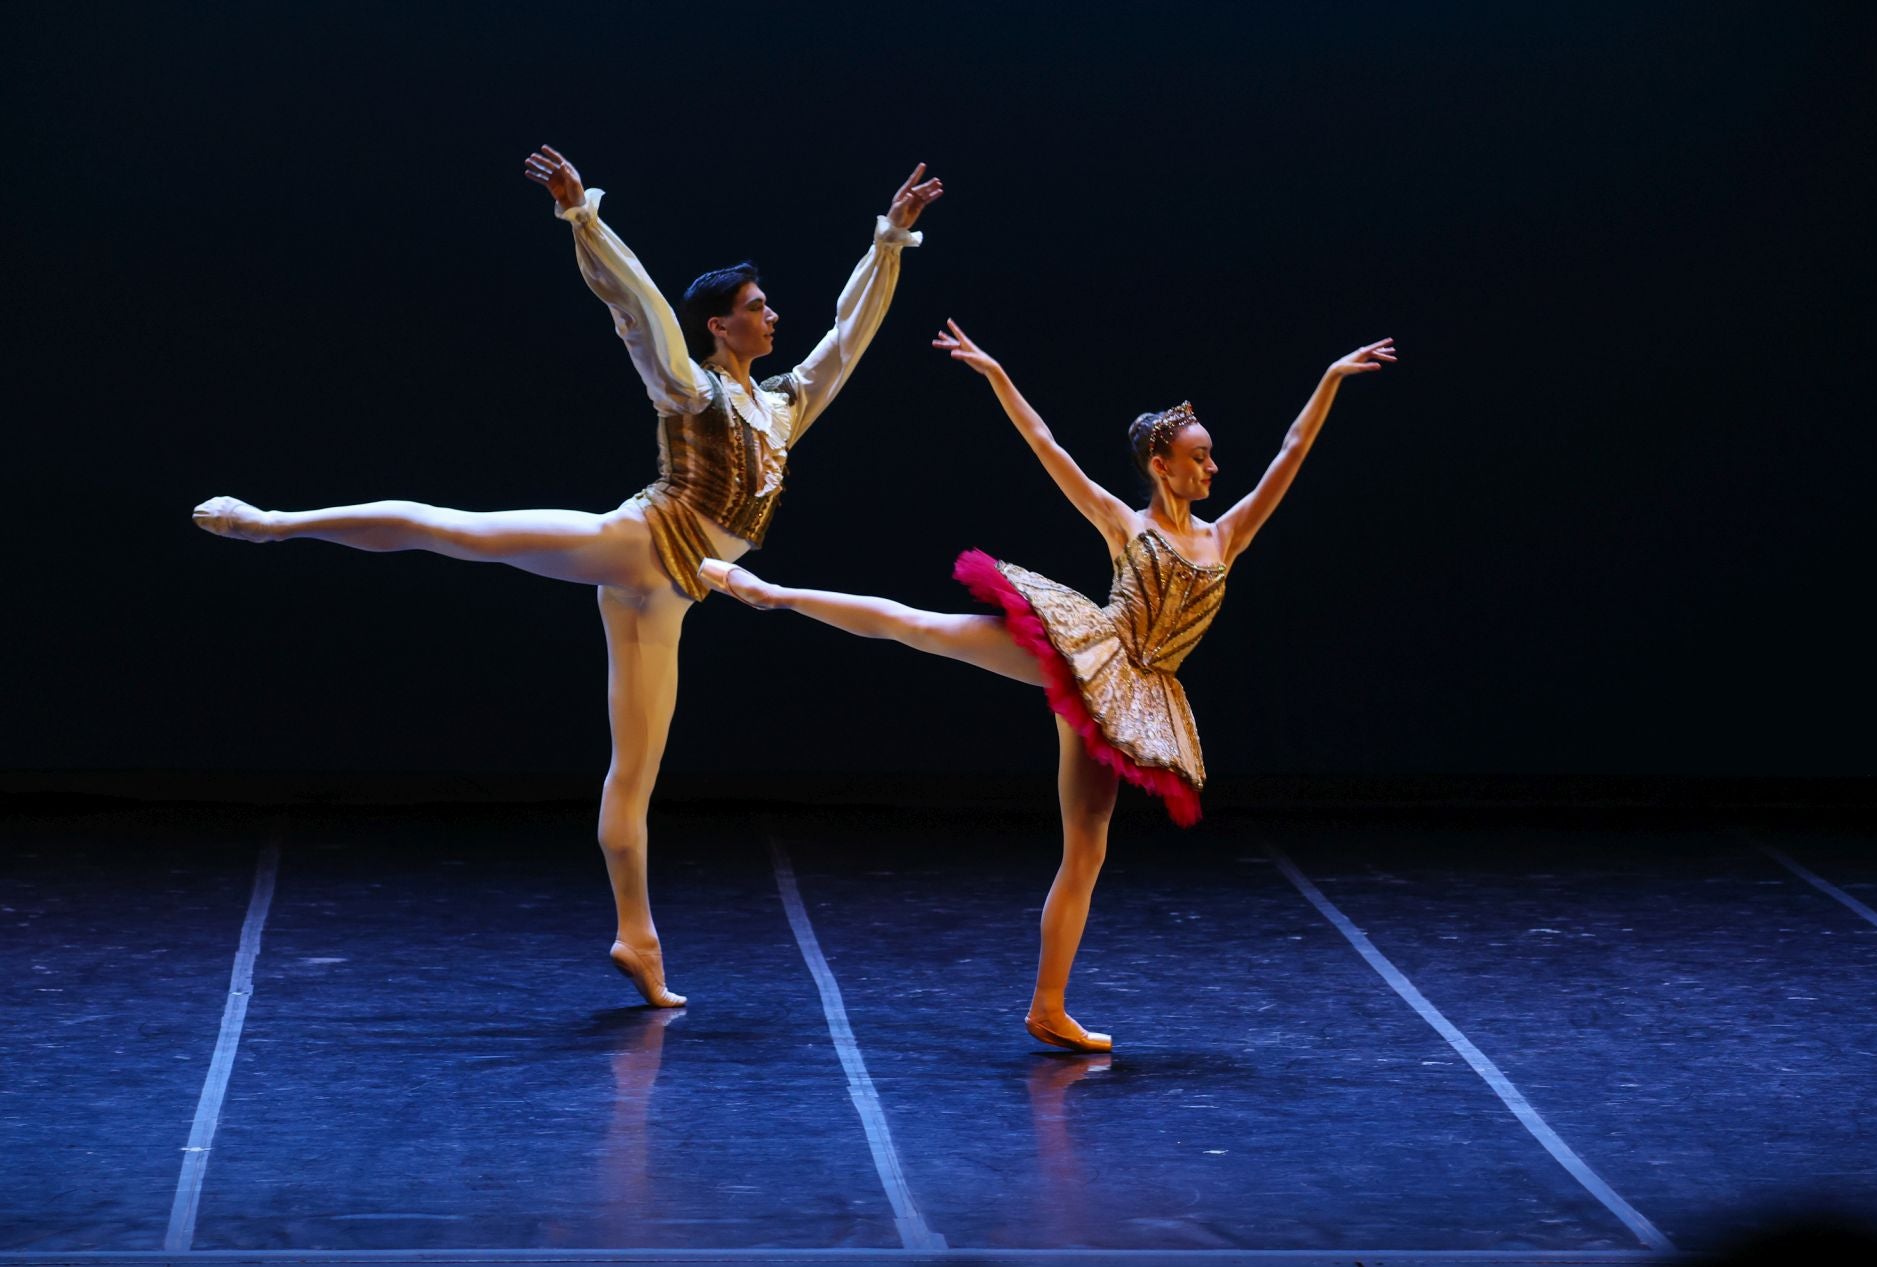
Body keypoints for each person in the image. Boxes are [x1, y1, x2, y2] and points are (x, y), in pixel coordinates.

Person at [192, 146, 944, 1008]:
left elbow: (849, 337)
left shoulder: (782, 406)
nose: (774, 315)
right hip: (636, 543)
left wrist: (888, 240)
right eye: (756, 307)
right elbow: (641, 308)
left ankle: (638, 937)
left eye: (767, 304)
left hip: (674, 594)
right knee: (459, 533)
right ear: (720, 327)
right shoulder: (692, 390)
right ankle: (274, 523)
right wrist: (582, 216)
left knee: (636, 772)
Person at [699, 320, 1395, 1050]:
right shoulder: (1127, 526)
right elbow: (1046, 447)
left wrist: (1329, 381)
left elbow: (1291, 454)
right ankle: (765, 590)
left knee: (1086, 853)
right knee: (924, 627)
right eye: (1199, 457)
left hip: (1135, 697)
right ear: (1161, 464)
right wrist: (997, 373)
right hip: (1086, 653)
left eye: (1212, 457)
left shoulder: (1227, 536)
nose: (1214, 469)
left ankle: (1047, 1007)